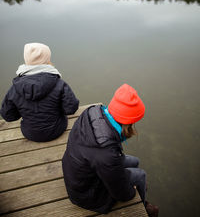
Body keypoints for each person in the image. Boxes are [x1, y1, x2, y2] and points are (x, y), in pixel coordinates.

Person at [62, 83, 159, 217]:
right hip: (87, 194)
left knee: (135, 161)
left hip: (78, 175)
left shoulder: (92, 112)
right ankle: (142, 204)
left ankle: (139, 187)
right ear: (127, 122)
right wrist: (130, 191)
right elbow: (121, 194)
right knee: (140, 175)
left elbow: (108, 159)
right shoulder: (106, 152)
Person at [0, 42, 79, 142]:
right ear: (47, 59)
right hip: (57, 130)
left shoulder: (15, 88)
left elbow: (8, 115)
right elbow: (71, 108)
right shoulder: (59, 84)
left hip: (29, 133)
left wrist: (26, 113)